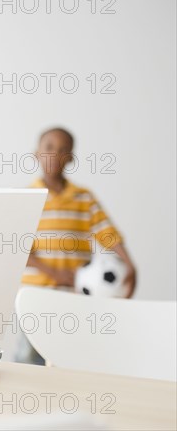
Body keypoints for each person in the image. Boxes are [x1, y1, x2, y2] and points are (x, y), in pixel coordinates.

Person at [16, 127, 137, 364]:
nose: (55, 155)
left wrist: (130, 264)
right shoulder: (25, 198)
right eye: (49, 147)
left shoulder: (83, 197)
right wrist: (54, 273)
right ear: (36, 154)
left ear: (70, 158)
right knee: (31, 353)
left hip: (75, 291)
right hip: (35, 293)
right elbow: (19, 249)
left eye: (63, 150)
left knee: (71, 353)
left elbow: (106, 232)